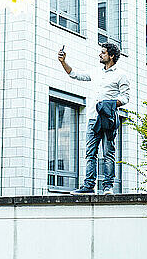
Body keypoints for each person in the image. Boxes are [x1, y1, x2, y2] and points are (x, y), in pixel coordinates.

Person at [58, 43, 130, 195]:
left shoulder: (121, 75)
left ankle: (108, 187)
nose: (100, 55)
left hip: (108, 119)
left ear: (111, 56)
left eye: (103, 53)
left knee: (108, 153)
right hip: (92, 118)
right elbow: (75, 74)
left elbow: (125, 97)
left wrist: (109, 104)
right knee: (90, 153)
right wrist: (63, 62)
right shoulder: (96, 72)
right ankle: (89, 186)